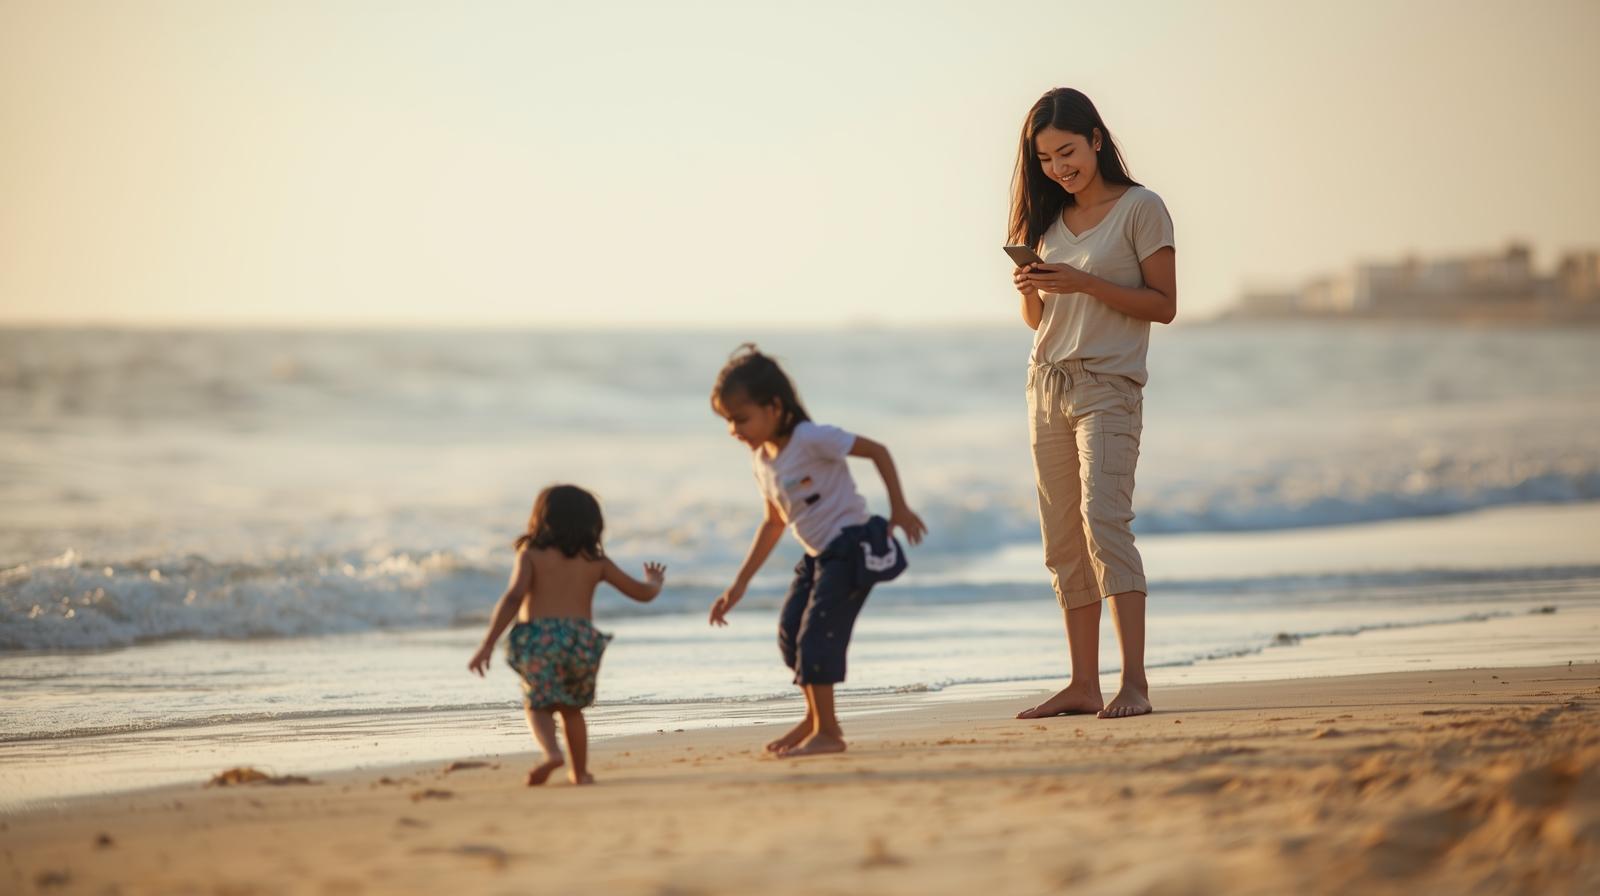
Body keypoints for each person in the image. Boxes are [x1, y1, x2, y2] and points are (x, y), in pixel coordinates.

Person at [1007, 88, 1177, 720]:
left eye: (1068, 152)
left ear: (1097, 140)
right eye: (1046, 158)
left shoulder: (1141, 208)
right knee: (1062, 542)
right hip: (1045, 385)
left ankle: (1134, 683)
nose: (1058, 168)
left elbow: (1164, 305)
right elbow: (1038, 322)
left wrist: (1082, 281)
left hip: (1108, 384)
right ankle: (1082, 684)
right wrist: (1031, 286)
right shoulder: (1046, 221)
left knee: (1105, 522)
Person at [708, 345, 926, 756]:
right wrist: (738, 585)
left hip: (849, 546)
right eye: (727, 421)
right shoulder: (762, 460)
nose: (734, 430)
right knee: (791, 636)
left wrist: (899, 505)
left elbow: (877, 451)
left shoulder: (811, 439)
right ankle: (815, 719)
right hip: (818, 557)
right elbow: (774, 522)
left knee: (816, 640)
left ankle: (829, 732)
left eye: (740, 418)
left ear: (774, 407)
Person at [468, 484, 665, 784]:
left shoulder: (531, 553)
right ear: (593, 523)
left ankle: (551, 753)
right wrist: (654, 582)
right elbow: (641, 594)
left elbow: (512, 598)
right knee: (572, 709)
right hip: (579, 641)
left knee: (539, 704)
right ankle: (581, 772)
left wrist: (487, 644)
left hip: (539, 639)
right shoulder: (595, 560)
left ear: (541, 518)